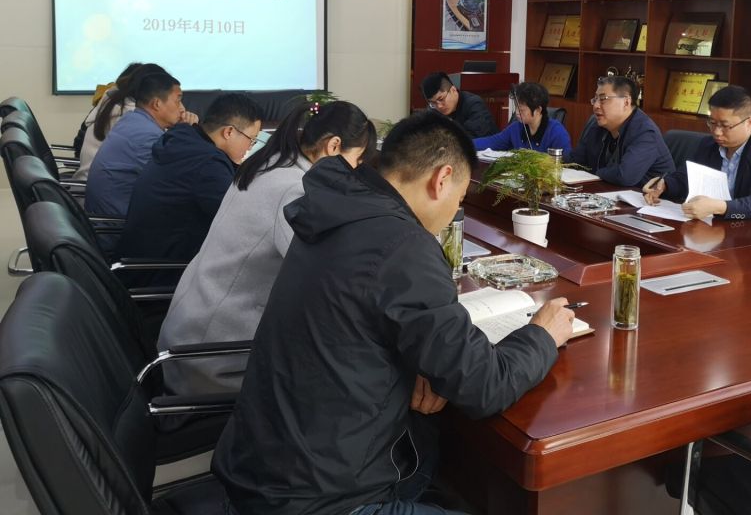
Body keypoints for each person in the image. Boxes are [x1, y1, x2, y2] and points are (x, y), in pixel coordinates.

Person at [213, 112, 576, 515]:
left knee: (438, 462)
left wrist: (418, 359)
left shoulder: (339, 210)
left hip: (258, 467)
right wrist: (542, 334)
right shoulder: (403, 246)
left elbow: (359, 318)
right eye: (459, 200)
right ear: (442, 179)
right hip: (318, 499)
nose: (453, 213)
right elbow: (484, 385)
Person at [157, 99, 376, 395]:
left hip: (189, 333)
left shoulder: (269, 163)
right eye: (357, 161)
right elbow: (325, 281)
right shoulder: (295, 189)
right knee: (351, 376)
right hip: (210, 359)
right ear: (334, 146)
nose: (356, 171)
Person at [117, 92, 263, 263]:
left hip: (139, 256)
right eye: (252, 139)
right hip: (163, 269)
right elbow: (239, 221)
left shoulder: (183, 141)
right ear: (229, 132)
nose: (250, 147)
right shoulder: (208, 163)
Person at [642, 85, 751, 220]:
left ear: (749, 122)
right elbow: (685, 178)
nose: (717, 132)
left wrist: (720, 207)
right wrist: (664, 185)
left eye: (725, 125)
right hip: (714, 226)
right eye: (712, 123)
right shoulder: (708, 144)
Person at [85, 68, 187, 217]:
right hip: (118, 223)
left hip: (106, 213)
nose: (182, 108)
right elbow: (180, 180)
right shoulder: (148, 137)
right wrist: (188, 132)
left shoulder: (131, 119)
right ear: (157, 104)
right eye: (178, 101)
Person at [566, 75, 673, 187]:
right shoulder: (597, 124)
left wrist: (596, 173)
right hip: (608, 191)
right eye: (595, 99)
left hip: (644, 196)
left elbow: (625, 176)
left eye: (603, 99)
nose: (596, 106)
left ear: (626, 102)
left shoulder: (645, 133)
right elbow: (575, 160)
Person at [472, 81, 572, 153]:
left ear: (538, 110)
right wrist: (465, 144)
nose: (517, 113)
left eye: (522, 110)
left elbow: (566, 163)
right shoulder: (516, 127)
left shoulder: (556, 132)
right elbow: (492, 142)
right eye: (516, 107)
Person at [421, 71, 498, 138]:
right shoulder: (433, 109)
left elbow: (470, 138)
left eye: (441, 99)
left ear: (453, 90)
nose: (439, 106)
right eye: (433, 103)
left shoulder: (474, 104)